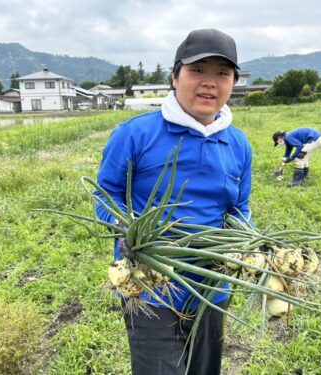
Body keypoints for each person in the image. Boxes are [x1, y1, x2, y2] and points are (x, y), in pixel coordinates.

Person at [95, 29, 252, 375]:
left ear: (233, 82)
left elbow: (239, 208)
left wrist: (251, 244)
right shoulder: (135, 134)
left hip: (212, 285)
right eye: (198, 70)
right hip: (150, 288)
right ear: (175, 76)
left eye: (222, 73)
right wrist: (126, 232)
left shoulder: (238, 144)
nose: (209, 83)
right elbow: (105, 194)